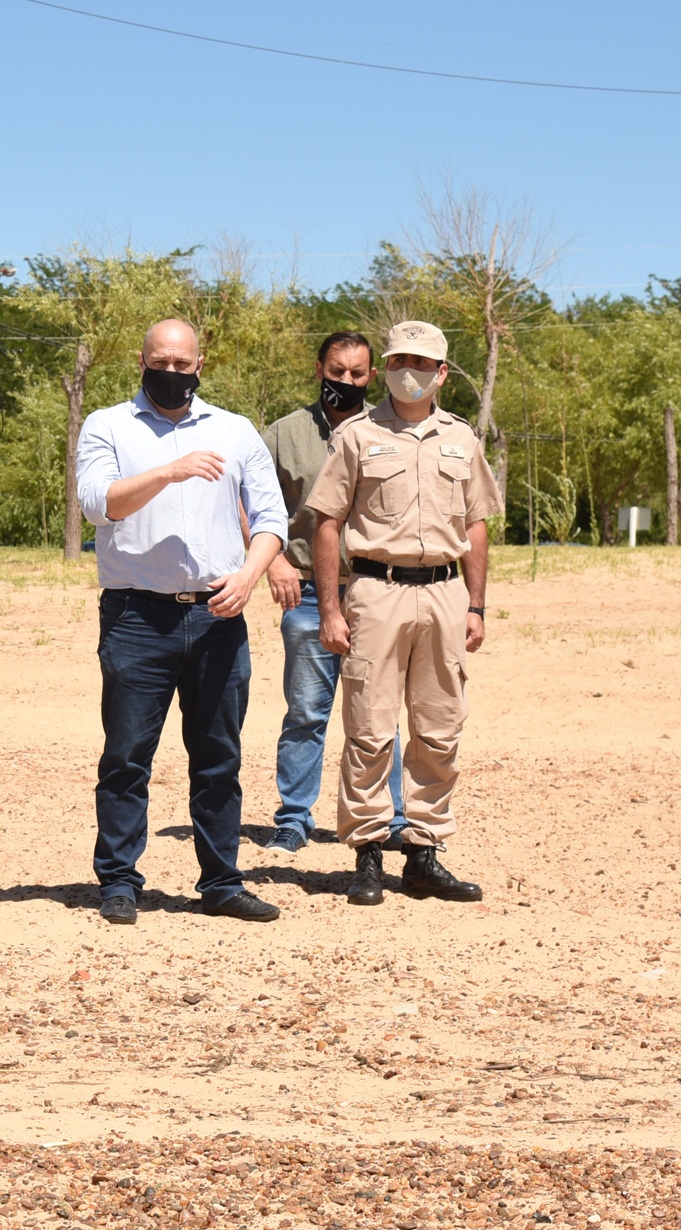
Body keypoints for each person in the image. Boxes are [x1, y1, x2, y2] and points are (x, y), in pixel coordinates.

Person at [76, 318, 290, 925]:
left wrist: (249, 575)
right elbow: (98, 503)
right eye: (161, 362)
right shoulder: (109, 425)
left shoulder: (236, 430)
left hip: (219, 615)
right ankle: (119, 881)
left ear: (200, 365)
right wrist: (168, 470)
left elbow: (272, 519)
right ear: (141, 361)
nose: (172, 373)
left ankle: (222, 881)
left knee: (219, 756)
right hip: (136, 616)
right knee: (126, 757)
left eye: (182, 364)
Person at [307, 321, 499, 906]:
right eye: (397, 361)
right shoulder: (358, 435)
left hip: (444, 594)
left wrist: (476, 604)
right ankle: (367, 854)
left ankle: (422, 853)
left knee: (440, 727)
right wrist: (332, 608)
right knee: (369, 727)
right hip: (376, 592)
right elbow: (327, 521)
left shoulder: (461, 439)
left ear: (442, 373)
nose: (406, 371)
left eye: (420, 362)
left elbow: (476, 523)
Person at [258, 332, 406, 854]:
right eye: (337, 371)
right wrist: (272, 559)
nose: (346, 381)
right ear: (318, 368)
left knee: (378, 713)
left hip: (377, 592)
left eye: (357, 374)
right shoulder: (283, 434)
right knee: (305, 713)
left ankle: (392, 820)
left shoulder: (392, 432)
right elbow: (248, 499)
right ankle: (294, 818)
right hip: (304, 595)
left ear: (372, 376)